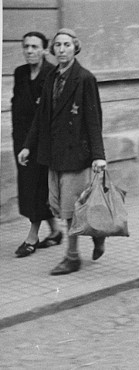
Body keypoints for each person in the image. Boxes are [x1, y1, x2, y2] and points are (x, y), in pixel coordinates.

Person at [18, 29, 107, 275]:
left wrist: (99, 155)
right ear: (53, 49)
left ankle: (72, 257)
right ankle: (97, 234)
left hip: (76, 155)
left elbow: (93, 118)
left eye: (67, 44)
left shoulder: (85, 78)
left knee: (70, 209)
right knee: (58, 205)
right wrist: (28, 145)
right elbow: (40, 117)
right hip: (53, 154)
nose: (61, 49)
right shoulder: (52, 78)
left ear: (75, 47)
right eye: (57, 45)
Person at [12, 32, 63, 258]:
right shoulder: (20, 73)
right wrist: (20, 142)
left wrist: (31, 144)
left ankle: (32, 237)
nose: (29, 51)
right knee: (30, 187)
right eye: (26, 46)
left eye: (34, 47)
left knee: (37, 188)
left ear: (44, 49)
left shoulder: (51, 74)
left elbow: (46, 115)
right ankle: (55, 231)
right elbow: (17, 107)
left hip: (42, 143)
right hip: (21, 141)